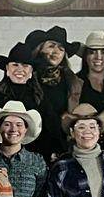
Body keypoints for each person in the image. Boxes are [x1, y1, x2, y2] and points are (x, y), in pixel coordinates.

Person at [0, 101, 47, 197]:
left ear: (25, 129)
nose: (13, 129)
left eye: (19, 124)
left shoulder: (36, 161)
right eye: (7, 124)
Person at [29, 25, 79, 161]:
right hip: (32, 146)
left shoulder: (73, 82)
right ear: (40, 49)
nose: (56, 51)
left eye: (61, 48)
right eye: (51, 46)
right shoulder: (28, 78)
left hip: (62, 147)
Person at [69, 31, 104, 152]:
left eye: (103, 52)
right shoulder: (75, 82)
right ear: (85, 57)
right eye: (92, 52)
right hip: (84, 146)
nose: (98, 57)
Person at [0, 41, 45, 124]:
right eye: (15, 65)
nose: (20, 70)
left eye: (25, 65)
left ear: (31, 70)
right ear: (7, 68)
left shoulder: (39, 97)